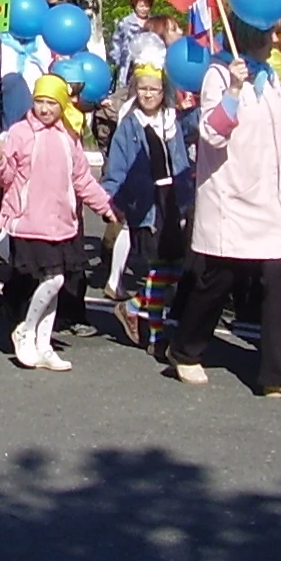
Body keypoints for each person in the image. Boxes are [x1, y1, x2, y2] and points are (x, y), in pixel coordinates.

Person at [168, 20, 281, 400]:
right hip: (231, 198)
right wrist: (233, 90)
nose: (275, 40)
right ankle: (184, 350)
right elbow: (212, 133)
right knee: (217, 281)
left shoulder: (269, 77)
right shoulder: (219, 74)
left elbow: (277, 142)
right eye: (269, 34)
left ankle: (279, 375)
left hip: (268, 199)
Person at [0, 72, 116, 370]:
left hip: (61, 225)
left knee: (54, 286)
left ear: (61, 104)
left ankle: (43, 345)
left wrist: (106, 206)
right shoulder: (20, 133)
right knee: (53, 279)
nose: (44, 109)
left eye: (51, 103)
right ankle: (26, 330)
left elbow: (82, 179)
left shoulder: (68, 137)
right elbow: (4, 177)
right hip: (28, 223)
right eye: (39, 101)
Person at [103, 61, 193, 347]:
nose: (148, 94)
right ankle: (155, 334)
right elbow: (117, 166)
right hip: (147, 205)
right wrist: (109, 199)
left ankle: (133, 308)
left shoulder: (172, 120)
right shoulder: (130, 124)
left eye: (154, 89)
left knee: (173, 269)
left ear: (163, 91)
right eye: (143, 88)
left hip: (174, 201)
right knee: (158, 268)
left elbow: (196, 131)